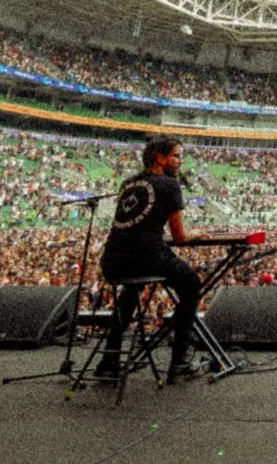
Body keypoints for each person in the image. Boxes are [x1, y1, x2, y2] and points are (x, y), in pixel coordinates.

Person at [96, 136, 204, 381]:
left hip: (112, 261)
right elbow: (179, 237)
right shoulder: (170, 184)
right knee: (191, 284)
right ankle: (180, 361)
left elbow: (135, 224)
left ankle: (109, 359)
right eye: (176, 156)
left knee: (131, 290)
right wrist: (196, 234)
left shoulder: (129, 183)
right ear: (160, 158)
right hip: (146, 258)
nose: (180, 161)